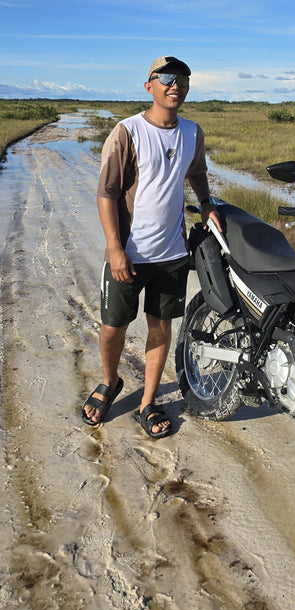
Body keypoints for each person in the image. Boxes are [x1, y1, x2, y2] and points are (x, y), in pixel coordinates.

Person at [82, 55, 220, 438]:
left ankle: (148, 402)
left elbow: (196, 171)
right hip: (128, 253)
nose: (175, 85)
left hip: (173, 254)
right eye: (167, 78)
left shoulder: (192, 132)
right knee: (113, 328)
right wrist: (114, 247)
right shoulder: (127, 132)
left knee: (160, 327)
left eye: (182, 79)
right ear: (150, 86)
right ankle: (110, 383)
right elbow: (107, 192)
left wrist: (207, 204)